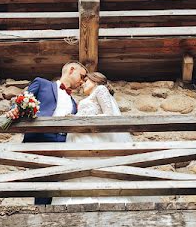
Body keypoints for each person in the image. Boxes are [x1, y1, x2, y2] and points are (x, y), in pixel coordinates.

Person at [54, 71, 137, 205]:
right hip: (80, 141)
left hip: (93, 140)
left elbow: (109, 115)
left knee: (95, 170)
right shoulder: (88, 97)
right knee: (80, 172)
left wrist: (82, 120)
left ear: (95, 80)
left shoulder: (101, 89)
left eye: (86, 81)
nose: (82, 85)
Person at [23, 61, 87, 204]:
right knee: (41, 185)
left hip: (64, 147)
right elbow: (21, 103)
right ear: (71, 70)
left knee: (54, 187)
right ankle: (40, 216)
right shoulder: (42, 84)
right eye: (82, 76)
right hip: (40, 141)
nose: (82, 82)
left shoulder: (74, 104)